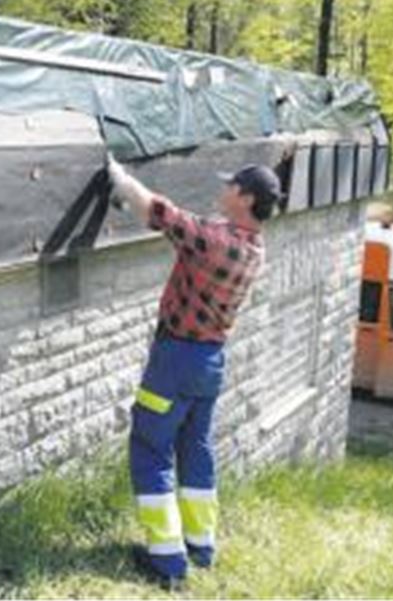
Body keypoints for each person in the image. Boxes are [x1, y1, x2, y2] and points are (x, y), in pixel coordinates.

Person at [106, 154, 283, 590]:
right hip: (209, 362)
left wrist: (120, 180)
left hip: (175, 361)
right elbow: (197, 229)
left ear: (244, 197)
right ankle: (200, 545)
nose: (221, 190)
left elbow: (164, 214)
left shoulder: (219, 243)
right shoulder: (252, 246)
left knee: (150, 446)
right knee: (195, 449)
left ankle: (167, 561)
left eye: (230, 185)